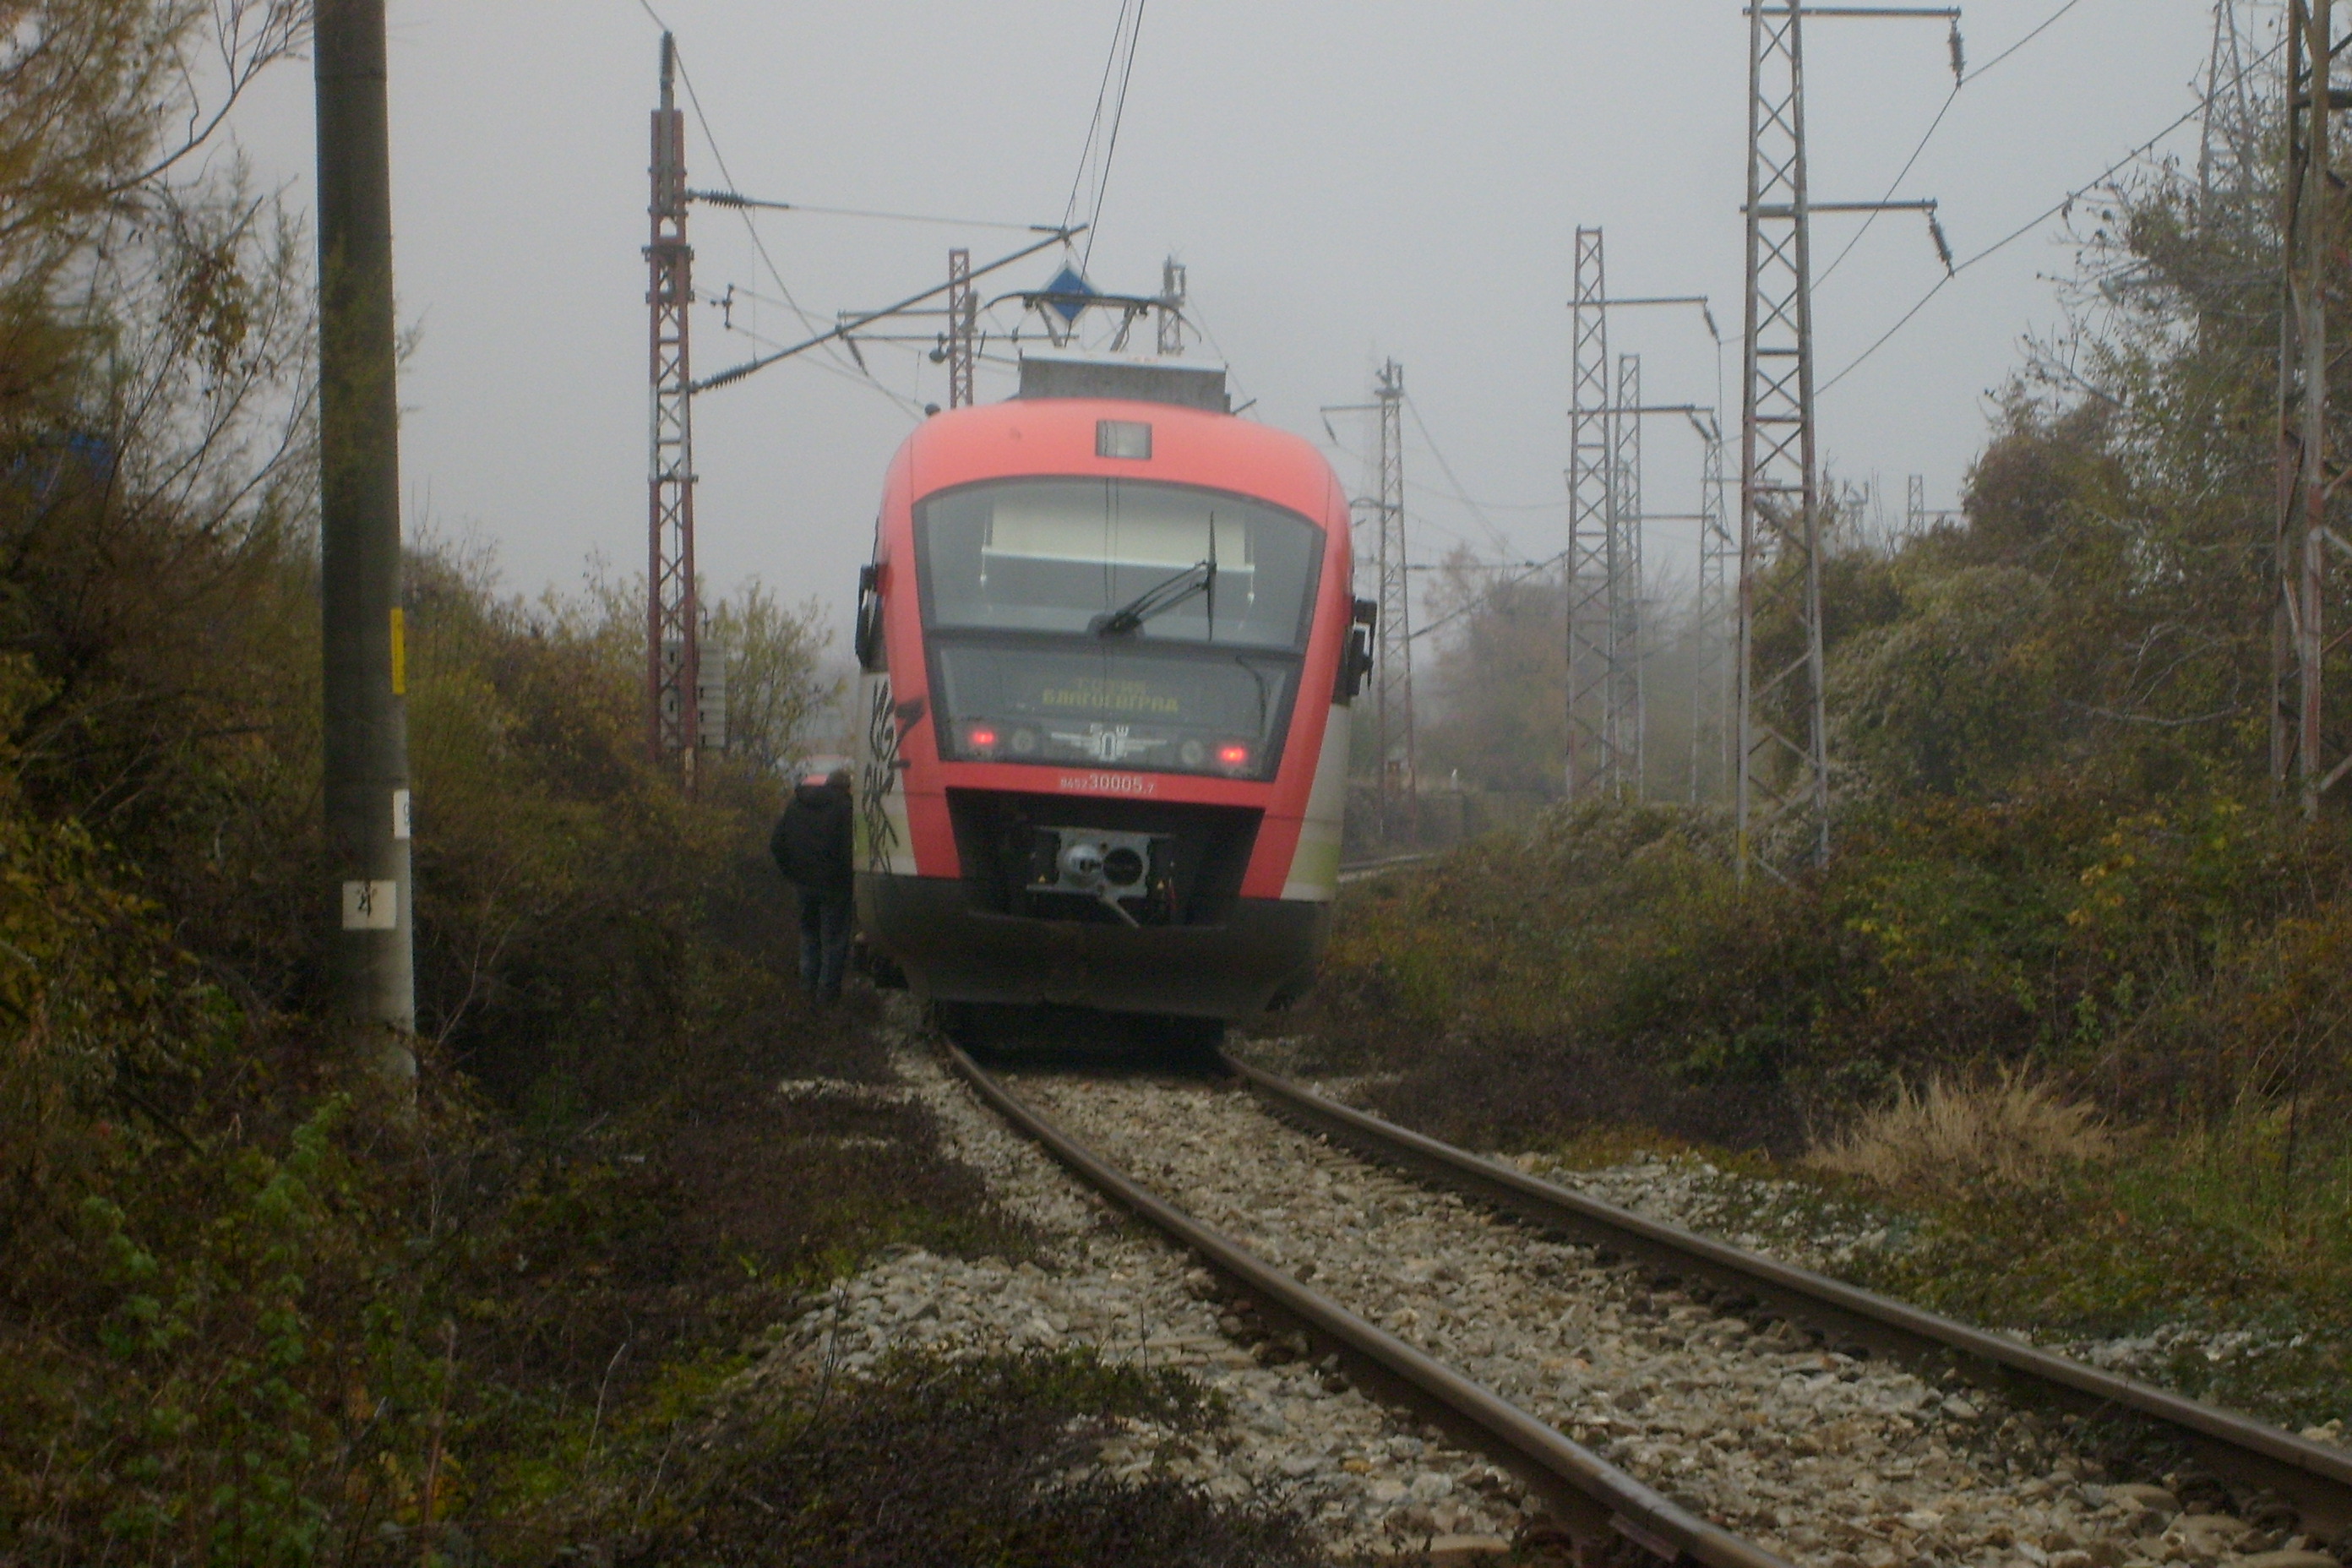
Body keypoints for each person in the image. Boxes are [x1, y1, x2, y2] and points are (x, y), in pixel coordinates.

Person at [770, 765, 855, 1004]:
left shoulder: (796, 805)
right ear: (846, 787)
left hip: (804, 885)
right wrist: (847, 879)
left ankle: (806, 992)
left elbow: (777, 844)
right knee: (834, 940)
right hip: (835, 888)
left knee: (809, 935)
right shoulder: (845, 810)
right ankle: (827, 998)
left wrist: (792, 873)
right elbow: (849, 852)